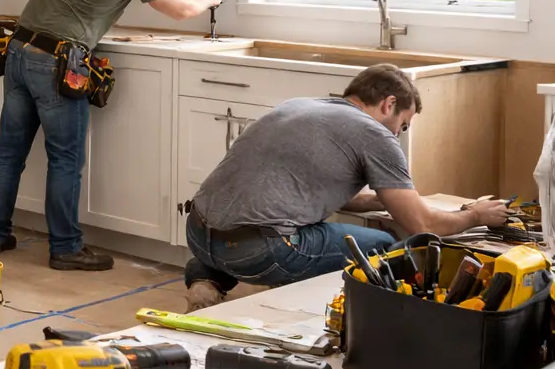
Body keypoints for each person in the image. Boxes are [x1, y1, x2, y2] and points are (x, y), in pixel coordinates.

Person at [0, 0, 225, 270]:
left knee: (9, 152)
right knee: (65, 159)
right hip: (58, 63)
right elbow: (181, 13)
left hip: (20, 50)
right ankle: (65, 248)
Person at [183, 64, 511, 310]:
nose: (399, 133)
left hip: (198, 235)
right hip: (260, 251)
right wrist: (476, 214)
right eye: (403, 124)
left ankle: (205, 280)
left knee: (248, 221)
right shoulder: (375, 134)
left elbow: (307, 188)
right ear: (388, 104)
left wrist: (376, 201)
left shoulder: (299, 105)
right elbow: (421, 225)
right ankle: (312, 311)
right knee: (382, 246)